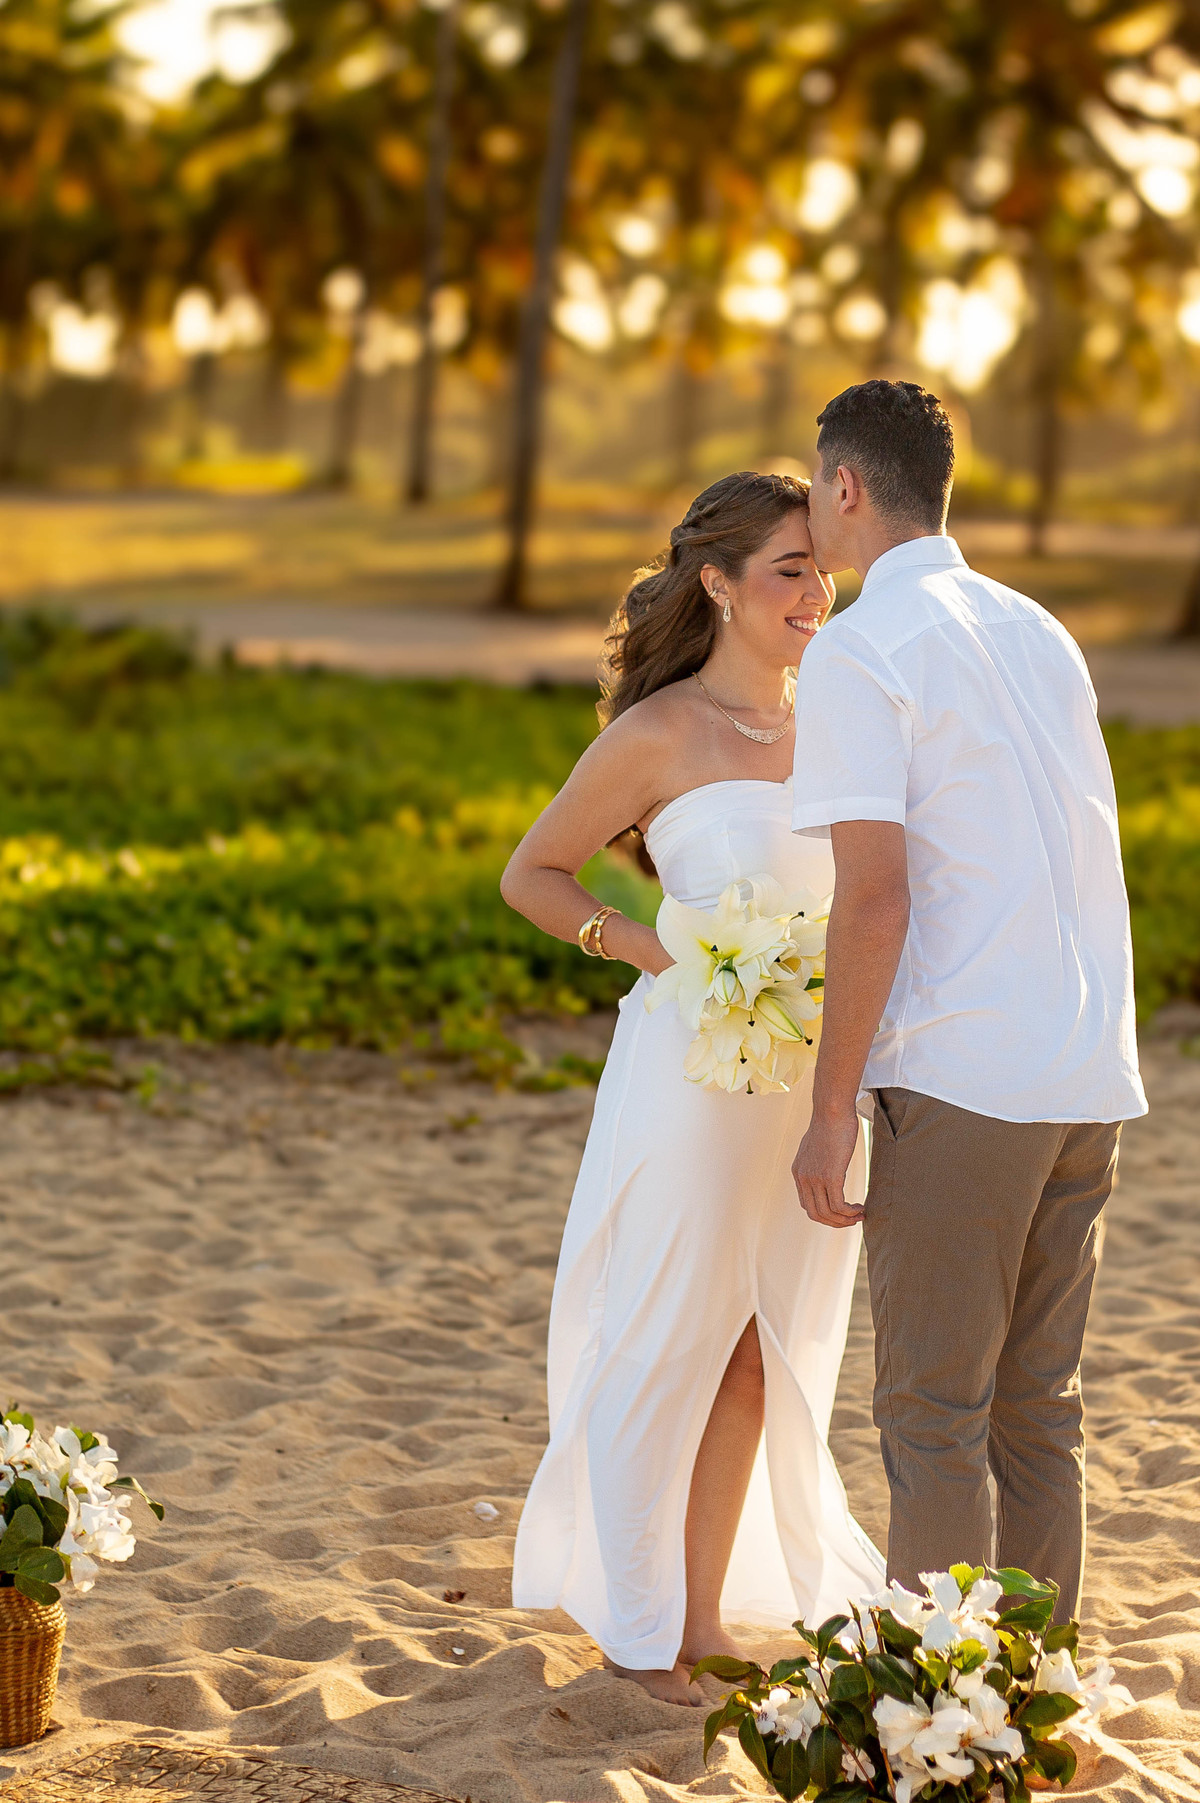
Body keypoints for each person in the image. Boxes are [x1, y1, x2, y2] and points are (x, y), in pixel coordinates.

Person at [501, 472, 884, 1708]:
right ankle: (638, 1612)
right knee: (672, 1335)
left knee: (764, 1348)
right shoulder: (657, 734)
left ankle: (705, 1611)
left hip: (813, 1079)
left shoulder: (845, 715)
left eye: (822, 568)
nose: (816, 593)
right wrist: (653, 950)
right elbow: (536, 874)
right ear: (716, 583)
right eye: (789, 570)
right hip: (689, 1070)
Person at [789, 379, 1147, 1620]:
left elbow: (872, 898)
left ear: (845, 486)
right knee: (1040, 1410)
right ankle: (1024, 1703)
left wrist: (833, 1106)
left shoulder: (862, 647)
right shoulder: (1037, 628)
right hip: (1084, 1067)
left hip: (961, 1075)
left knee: (932, 1415)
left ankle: (940, 1723)